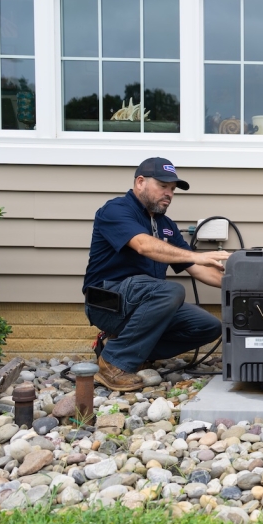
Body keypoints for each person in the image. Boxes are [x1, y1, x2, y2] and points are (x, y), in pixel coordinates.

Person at [82, 157, 230, 392]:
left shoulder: (166, 225)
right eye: (163, 186)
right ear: (140, 182)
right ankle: (113, 363)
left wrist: (245, 285)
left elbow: (198, 268)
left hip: (146, 301)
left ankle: (130, 352)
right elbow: (143, 245)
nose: (169, 193)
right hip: (107, 301)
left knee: (209, 326)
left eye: (172, 189)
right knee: (171, 290)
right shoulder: (116, 210)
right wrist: (195, 255)